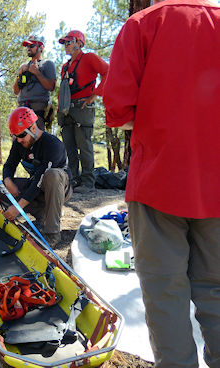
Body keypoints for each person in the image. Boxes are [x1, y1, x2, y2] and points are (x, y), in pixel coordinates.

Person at [103, 1, 220, 367]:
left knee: (165, 299)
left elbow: (117, 110)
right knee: (216, 295)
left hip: (157, 183)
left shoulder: (142, 25)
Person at [1, 107, 72, 245]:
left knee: (52, 175)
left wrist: (18, 207)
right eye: (15, 136)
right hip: (37, 186)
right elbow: (9, 165)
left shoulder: (52, 144)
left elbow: (40, 179)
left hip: (59, 187)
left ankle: (52, 234)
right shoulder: (19, 143)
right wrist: (7, 180)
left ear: (33, 128)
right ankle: (43, 214)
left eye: (21, 135)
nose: (19, 140)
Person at [57, 30, 108, 193]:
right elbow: (63, 90)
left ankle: (88, 182)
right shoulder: (65, 67)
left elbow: (109, 71)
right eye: (64, 43)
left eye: (69, 42)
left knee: (84, 145)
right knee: (69, 146)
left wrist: (94, 96)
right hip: (67, 109)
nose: (66, 46)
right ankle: (74, 180)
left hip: (82, 107)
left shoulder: (89, 58)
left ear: (79, 43)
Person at [13, 35, 56, 131]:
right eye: (27, 46)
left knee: (37, 141)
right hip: (22, 109)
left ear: (41, 47)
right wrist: (19, 75)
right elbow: (16, 91)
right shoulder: (23, 66)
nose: (28, 48)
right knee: (19, 140)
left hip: (38, 111)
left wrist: (37, 73)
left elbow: (51, 86)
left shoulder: (47, 64)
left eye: (31, 46)